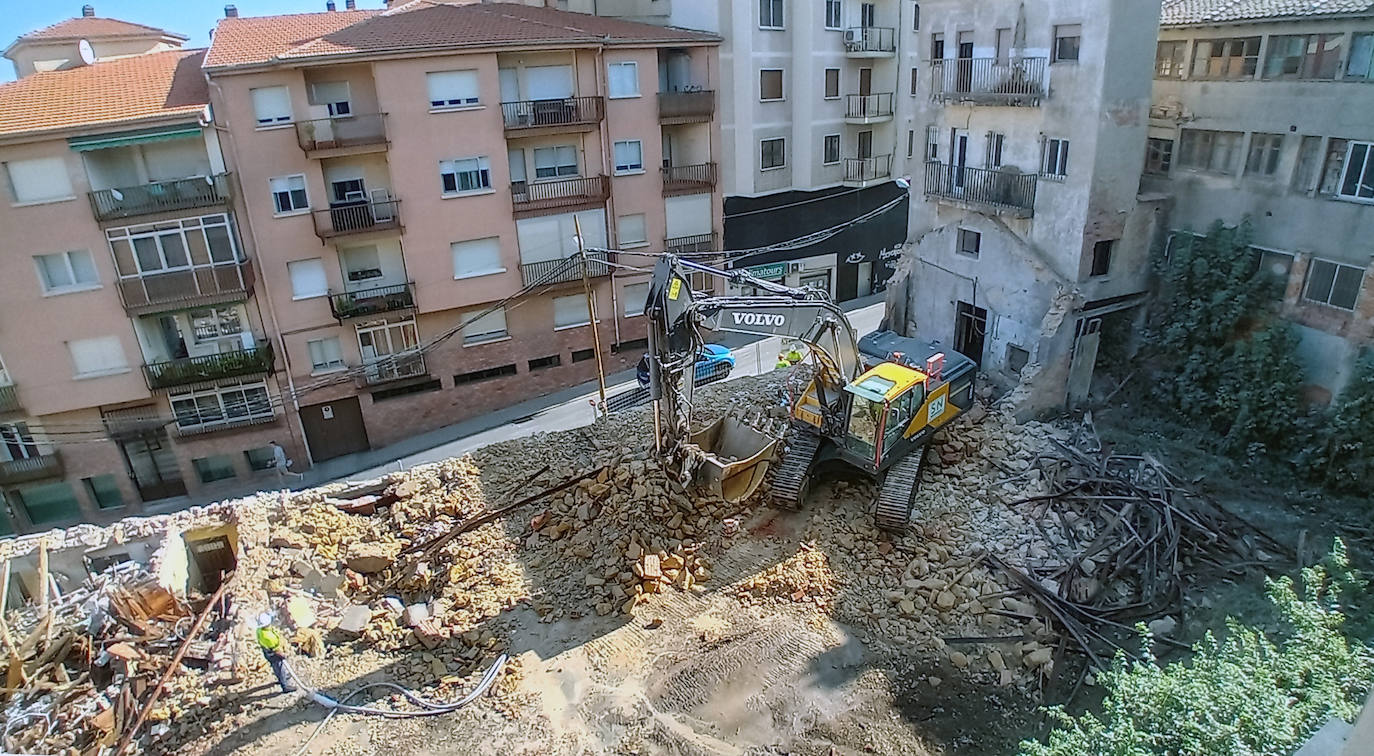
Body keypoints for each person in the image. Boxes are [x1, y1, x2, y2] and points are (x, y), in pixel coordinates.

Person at [254, 612, 295, 694]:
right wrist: (283, 655)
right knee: (280, 667)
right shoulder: (268, 637)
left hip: (267, 652)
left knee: (275, 667)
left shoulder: (259, 630)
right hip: (273, 653)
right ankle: (285, 686)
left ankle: (281, 678)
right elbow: (276, 650)